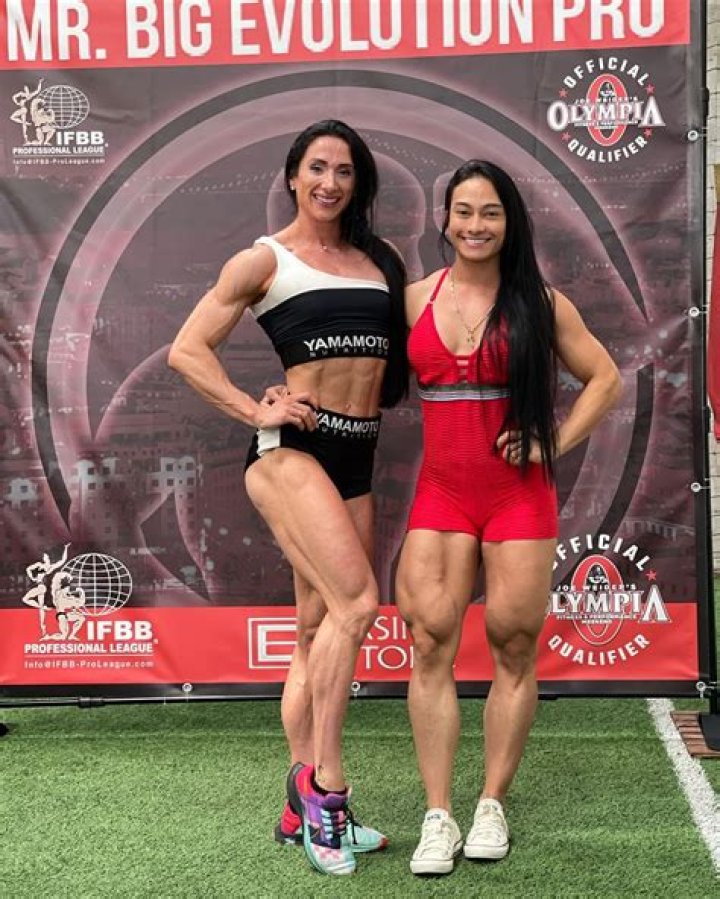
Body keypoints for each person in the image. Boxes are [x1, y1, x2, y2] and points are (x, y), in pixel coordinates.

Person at [168, 120, 408, 876]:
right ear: (293, 176)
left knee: (315, 628)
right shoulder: (265, 259)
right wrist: (254, 409)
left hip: (358, 453)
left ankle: (294, 807)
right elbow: (187, 349)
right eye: (318, 168)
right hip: (291, 451)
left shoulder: (379, 261)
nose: (330, 182)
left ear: (359, 183)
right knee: (357, 605)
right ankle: (326, 790)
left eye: (345, 171)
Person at [396, 160, 622, 876]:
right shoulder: (414, 299)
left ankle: (491, 800)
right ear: (445, 220)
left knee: (514, 644)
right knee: (430, 641)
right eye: (463, 211)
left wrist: (552, 440)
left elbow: (605, 378)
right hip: (441, 493)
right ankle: (438, 813)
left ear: (510, 221)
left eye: (489, 212)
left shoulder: (541, 304)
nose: (475, 225)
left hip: (519, 497)